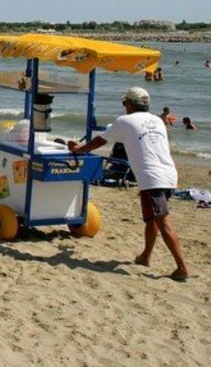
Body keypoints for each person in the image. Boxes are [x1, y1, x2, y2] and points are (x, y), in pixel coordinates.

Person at [68, 87, 189, 281]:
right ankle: (145, 257)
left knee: (162, 220)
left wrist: (80, 149)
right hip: (169, 175)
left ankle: (182, 267)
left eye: (125, 103)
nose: (124, 107)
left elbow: (100, 140)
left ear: (130, 104)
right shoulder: (158, 121)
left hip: (152, 178)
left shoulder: (124, 121)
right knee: (151, 219)